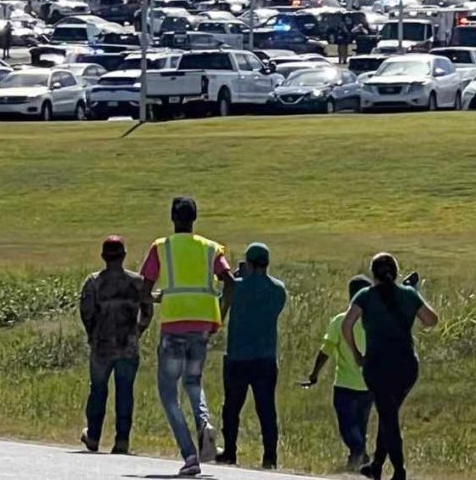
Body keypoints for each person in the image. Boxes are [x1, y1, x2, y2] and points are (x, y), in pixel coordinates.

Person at [140, 197, 237, 477]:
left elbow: (144, 290)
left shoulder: (161, 247)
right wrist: (220, 313)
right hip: (203, 324)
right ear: (195, 218)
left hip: (173, 325)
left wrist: (160, 298)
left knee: (169, 393)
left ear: (173, 218)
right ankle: (204, 423)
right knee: (193, 381)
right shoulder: (210, 248)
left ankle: (190, 454)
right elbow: (230, 282)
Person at [342, 253, 439, 480]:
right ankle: (377, 465)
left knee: (388, 416)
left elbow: (347, 325)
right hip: (406, 366)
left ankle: (398, 470)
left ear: (373, 274)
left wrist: (356, 353)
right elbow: (431, 320)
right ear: (395, 273)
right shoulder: (408, 295)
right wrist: (413, 294)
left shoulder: (365, 296)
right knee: (389, 413)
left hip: (377, 365)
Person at [79, 235, 154, 455]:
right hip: (128, 346)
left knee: (98, 390)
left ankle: (93, 435)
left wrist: (92, 333)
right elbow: (148, 311)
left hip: (101, 346)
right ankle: (122, 440)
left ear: (103, 256)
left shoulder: (93, 282)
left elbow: (86, 313)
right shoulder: (137, 282)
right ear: (124, 256)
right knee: (125, 392)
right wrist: (138, 331)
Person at [217, 243, 287, 469]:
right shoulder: (279, 289)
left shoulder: (236, 287)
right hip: (265, 357)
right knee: (266, 410)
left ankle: (230, 451)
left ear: (248, 262)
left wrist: (237, 280)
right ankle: (270, 457)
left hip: (238, 356)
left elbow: (220, 310)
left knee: (231, 408)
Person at [302, 275, 374, 470]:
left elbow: (325, 350)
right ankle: (358, 457)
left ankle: (358, 451)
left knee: (347, 425)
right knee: (361, 424)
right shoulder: (375, 323)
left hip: (345, 384)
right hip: (369, 385)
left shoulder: (340, 321)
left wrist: (315, 374)